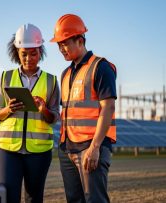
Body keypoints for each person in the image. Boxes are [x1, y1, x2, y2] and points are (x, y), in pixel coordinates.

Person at [50, 14, 117, 203]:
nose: (61, 49)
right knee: (74, 200)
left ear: (80, 40)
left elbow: (108, 107)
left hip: (90, 148)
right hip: (67, 149)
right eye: (58, 45)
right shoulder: (65, 74)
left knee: (95, 200)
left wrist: (95, 147)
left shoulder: (100, 67)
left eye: (65, 43)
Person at [0, 23, 60, 203]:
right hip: (8, 149)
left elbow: (54, 118)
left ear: (40, 51)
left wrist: (43, 109)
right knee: (8, 197)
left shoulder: (51, 81)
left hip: (39, 151)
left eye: (33, 53)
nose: (28, 58)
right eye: (24, 54)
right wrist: (8, 109)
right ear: (17, 52)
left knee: (34, 198)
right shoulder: (5, 77)